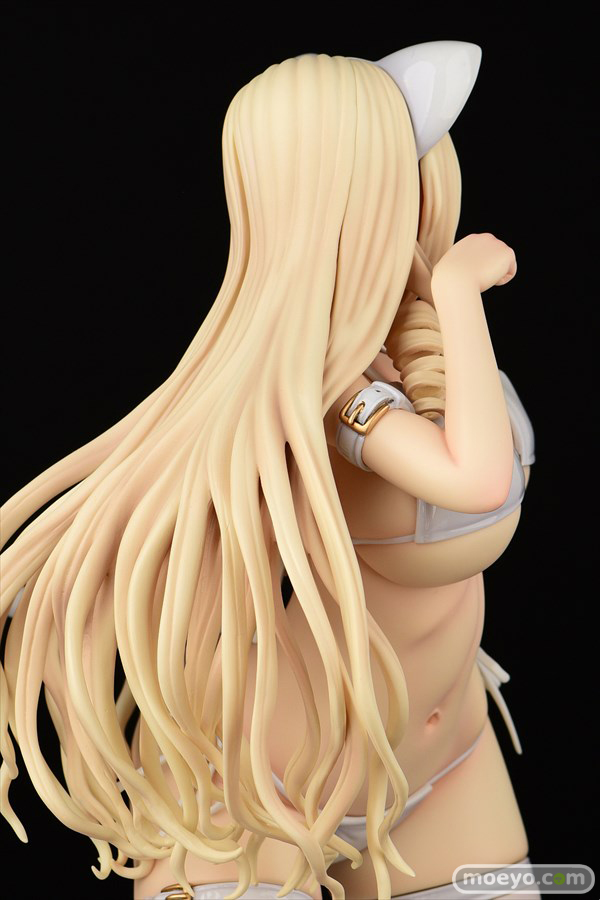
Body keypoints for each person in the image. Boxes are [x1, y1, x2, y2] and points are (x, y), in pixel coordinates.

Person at [0, 45, 540, 900]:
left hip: (444, 762)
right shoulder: (338, 394)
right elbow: (477, 482)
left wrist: (441, 308)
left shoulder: (411, 349)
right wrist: (461, 294)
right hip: (268, 785)